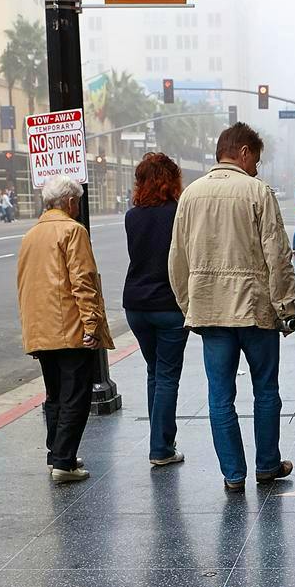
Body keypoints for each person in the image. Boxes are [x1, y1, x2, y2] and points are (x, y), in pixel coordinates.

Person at [168, 121, 295, 493]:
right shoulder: (257, 192)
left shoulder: (190, 196)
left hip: (210, 311)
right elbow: (278, 254)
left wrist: (188, 303)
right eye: (255, 158)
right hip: (256, 310)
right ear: (242, 152)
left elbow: (177, 259)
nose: (257, 167)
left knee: (219, 395)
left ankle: (233, 473)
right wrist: (285, 305)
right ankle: (267, 464)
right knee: (266, 390)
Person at [16, 174, 113, 484]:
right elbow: (83, 281)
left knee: (55, 394)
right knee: (76, 395)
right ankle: (65, 461)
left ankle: (55, 453)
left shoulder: (31, 235)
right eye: (78, 203)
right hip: (69, 328)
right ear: (71, 202)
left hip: (41, 328)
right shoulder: (72, 231)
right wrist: (91, 323)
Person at [123, 151, 190, 469]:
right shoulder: (177, 214)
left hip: (136, 306)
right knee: (166, 376)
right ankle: (161, 447)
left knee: (154, 371)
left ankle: (160, 440)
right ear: (171, 180)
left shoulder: (131, 217)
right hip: (168, 305)